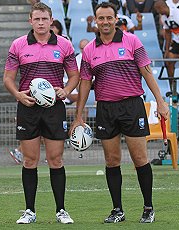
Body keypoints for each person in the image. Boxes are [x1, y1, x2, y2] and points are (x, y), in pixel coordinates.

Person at [70, 2, 169, 224]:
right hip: (105, 109)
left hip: (132, 106)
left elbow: (147, 71)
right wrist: (78, 116)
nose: (105, 22)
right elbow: (85, 84)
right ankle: (117, 210)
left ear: (116, 19)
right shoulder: (89, 50)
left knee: (140, 159)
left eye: (109, 18)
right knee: (111, 161)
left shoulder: (131, 41)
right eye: (101, 18)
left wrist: (160, 102)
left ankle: (148, 207)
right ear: (95, 21)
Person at [3, 2, 79, 224]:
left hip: (54, 108)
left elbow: (74, 76)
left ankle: (61, 210)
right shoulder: (18, 45)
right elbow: (8, 78)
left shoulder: (64, 45)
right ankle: (29, 211)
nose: (41, 23)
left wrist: (65, 90)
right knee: (30, 160)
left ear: (51, 20)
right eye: (36, 19)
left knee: (56, 159)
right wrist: (18, 95)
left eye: (44, 19)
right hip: (28, 107)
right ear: (30, 21)